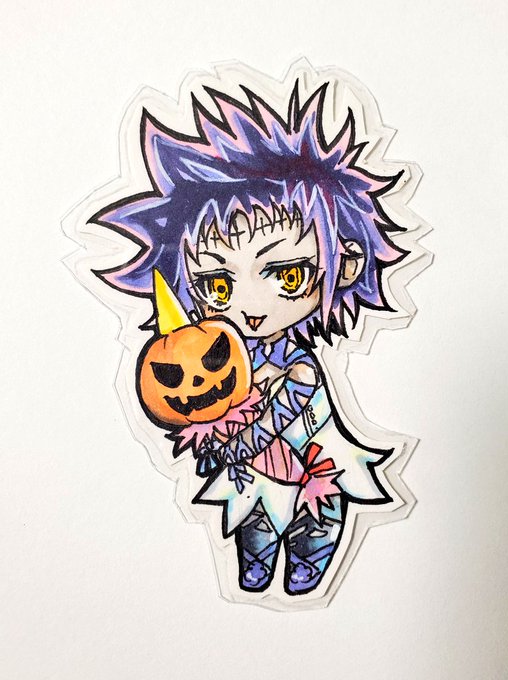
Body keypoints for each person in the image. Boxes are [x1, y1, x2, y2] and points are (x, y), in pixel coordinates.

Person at [92, 83, 408, 594]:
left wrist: (222, 437)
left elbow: (275, 421)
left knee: (314, 519)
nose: (252, 308)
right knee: (255, 521)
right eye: (219, 285)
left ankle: (309, 557)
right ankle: (258, 559)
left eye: (287, 276)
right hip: (252, 477)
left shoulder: (299, 368)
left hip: (312, 469)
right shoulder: (221, 355)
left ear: (344, 265)